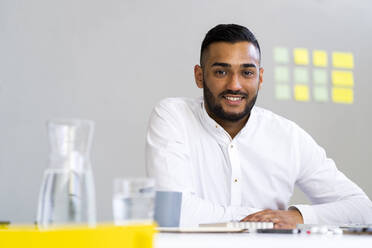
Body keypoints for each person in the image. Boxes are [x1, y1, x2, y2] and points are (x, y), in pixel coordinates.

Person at [145, 24, 372, 228]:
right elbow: (171, 213)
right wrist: (267, 218)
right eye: (221, 72)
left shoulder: (287, 136)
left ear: (260, 78)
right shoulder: (173, 116)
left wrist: (298, 216)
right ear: (199, 76)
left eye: (247, 72)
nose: (235, 85)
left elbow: (362, 209)